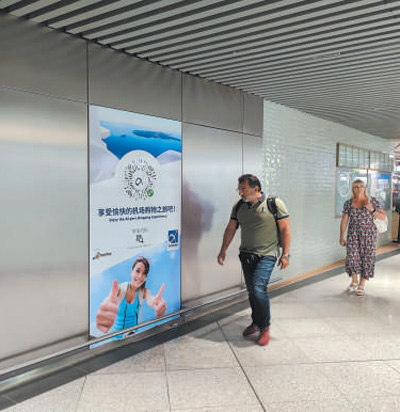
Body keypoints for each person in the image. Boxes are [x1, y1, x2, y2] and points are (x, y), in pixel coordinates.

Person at [218, 174, 291, 346]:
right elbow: (230, 229)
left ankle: (265, 327)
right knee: (252, 291)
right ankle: (256, 322)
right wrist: (223, 250)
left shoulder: (274, 204)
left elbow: (285, 230)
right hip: (246, 254)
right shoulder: (239, 206)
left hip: (267, 254)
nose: (240, 193)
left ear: (255, 189)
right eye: (239, 189)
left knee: (258, 289)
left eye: (243, 189)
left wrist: (285, 254)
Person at [95, 256, 167, 336]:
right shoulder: (120, 289)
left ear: (146, 277)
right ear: (131, 271)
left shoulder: (144, 291)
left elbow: (150, 299)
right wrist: (106, 308)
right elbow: (110, 299)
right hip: (115, 338)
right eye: (137, 271)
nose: (140, 276)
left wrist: (155, 303)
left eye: (144, 273)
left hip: (133, 337)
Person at [340, 179, 386, 296]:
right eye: (356, 187)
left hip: (369, 235)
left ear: (364, 188)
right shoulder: (348, 203)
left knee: (367, 258)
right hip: (353, 234)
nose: (359, 188)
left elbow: (382, 216)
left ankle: (361, 283)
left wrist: (372, 210)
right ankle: (354, 281)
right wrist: (341, 236)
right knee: (352, 257)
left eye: (361, 186)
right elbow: (344, 220)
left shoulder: (373, 201)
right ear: (353, 189)